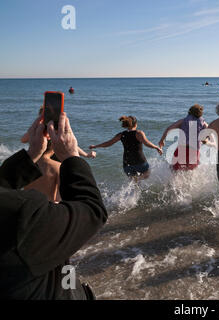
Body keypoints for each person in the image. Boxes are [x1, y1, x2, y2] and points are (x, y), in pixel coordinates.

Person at [0, 112, 107, 299]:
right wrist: (72, 157)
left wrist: (31, 153)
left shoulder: (19, 198)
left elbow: (23, 138)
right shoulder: (23, 214)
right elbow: (92, 211)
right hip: (45, 218)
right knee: (63, 263)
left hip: (41, 214)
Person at [89, 116, 162, 180]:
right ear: (135, 124)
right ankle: (139, 179)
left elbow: (108, 143)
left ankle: (133, 193)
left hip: (127, 164)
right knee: (147, 173)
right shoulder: (139, 133)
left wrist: (95, 146)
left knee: (133, 183)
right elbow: (147, 143)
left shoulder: (121, 135)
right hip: (140, 162)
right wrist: (156, 147)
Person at [159, 105, 208, 171]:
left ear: (190, 112)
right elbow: (208, 135)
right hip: (194, 151)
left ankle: (170, 181)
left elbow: (169, 129)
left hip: (182, 149)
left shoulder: (183, 121)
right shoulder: (203, 123)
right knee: (190, 172)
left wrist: (162, 140)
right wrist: (205, 140)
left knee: (174, 170)